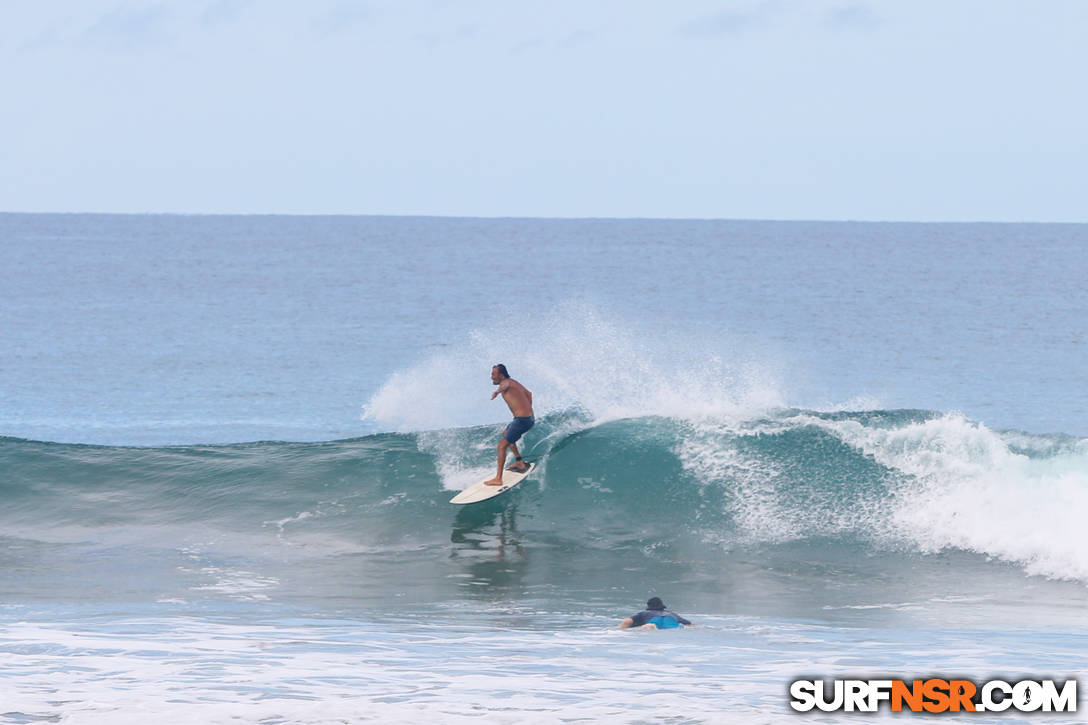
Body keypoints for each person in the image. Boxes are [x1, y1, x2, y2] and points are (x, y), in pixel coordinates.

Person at [484, 364, 534, 486]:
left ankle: (498, 479)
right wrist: (528, 409)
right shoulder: (514, 382)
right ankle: (519, 462)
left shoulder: (506, 383)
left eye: (493, 374)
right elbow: (529, 393)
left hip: (521, 420)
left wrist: (497, 391)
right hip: (525, 418)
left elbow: (504, 386)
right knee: (506, 434)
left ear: (501, 376)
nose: (491, 377)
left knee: (501, 446)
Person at [619, 597, 693, 630]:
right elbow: (691, 624)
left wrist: (622, 630)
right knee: (676, 628)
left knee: (646, 628)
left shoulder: (645, 613)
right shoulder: (671, 613)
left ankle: (651, 627)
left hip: (654, 621)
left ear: (649, 605)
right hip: (671, 621)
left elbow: (627, 621)